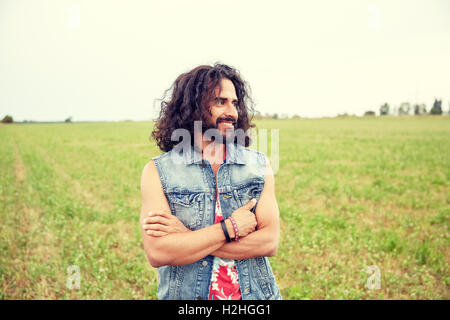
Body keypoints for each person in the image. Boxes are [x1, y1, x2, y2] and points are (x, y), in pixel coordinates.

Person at [139, 63, 281, 300]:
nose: (232, 112)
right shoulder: (157, 172)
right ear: (192, 107)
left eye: (234, 103)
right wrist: (230, 229)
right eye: (220, 102)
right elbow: (159, 252)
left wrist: (187, 237)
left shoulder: (258, 166)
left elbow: (269, 242)